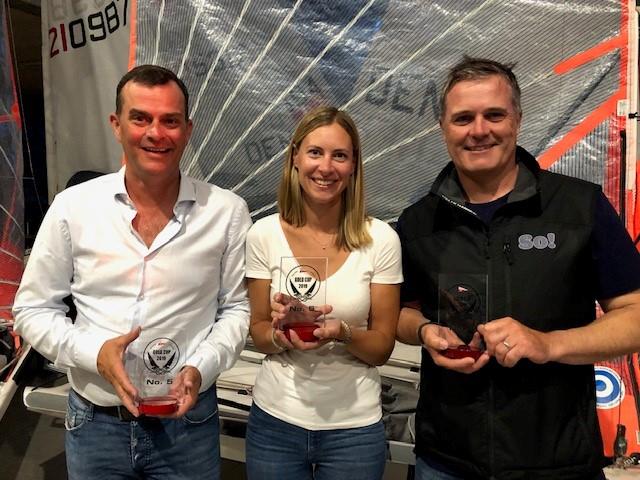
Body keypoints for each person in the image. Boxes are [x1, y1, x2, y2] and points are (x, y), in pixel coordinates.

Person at [395, 56, 640, 480]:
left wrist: (547, 345)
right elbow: (399, 312)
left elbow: (635, 315)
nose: (479, 130)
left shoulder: (580, 207)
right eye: (463, 118)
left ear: (518, 120)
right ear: (443, 128)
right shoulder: (417, 223)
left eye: (494, 114)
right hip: (447, 462)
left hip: (559, 463)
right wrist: (421, 331)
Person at [12, 64, 252, 480]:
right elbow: (32, 310)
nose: (155, 133)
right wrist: (95, 355)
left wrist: (202, 367)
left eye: (170, 121)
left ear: (188, 129)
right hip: (95, 424)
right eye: (140, 118)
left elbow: (236, 311)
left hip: (187, 427)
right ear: (116, 125)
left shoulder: (227, 212)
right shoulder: (74, 207)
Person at [244, 106, 402, 480]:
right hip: (275, 422)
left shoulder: (380, 239)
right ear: (295, 157)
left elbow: (381, 348)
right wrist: (281, 333)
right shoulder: (263, 235)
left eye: (340, 155)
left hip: (355, 429)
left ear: (353, 165)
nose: (326, 167)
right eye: (315, 152)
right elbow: (259, 333)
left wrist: (342, 333)